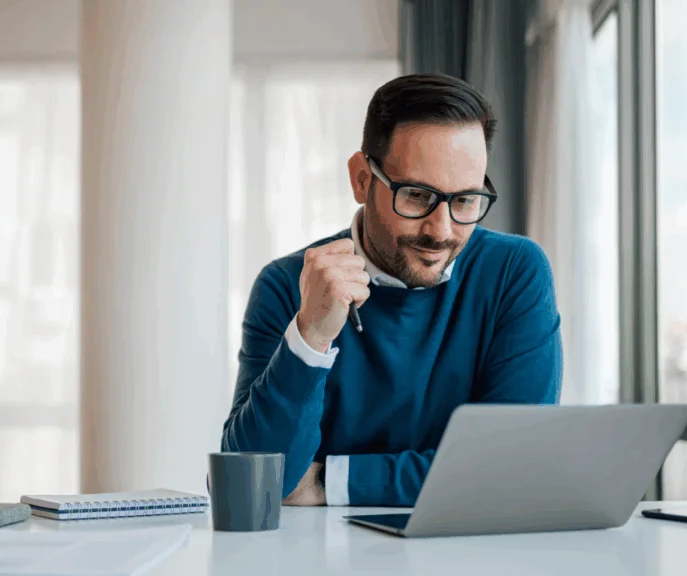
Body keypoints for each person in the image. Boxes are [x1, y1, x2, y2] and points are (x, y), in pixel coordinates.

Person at [220, 72, 562, 507]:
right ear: (362, 179)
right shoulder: (287, 285)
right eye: (417, 196)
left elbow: (514, 466)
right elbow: (248, 484)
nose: (442, 231)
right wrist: (310, 338)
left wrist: (330, 482)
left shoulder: (514, 271)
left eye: (465, 201)